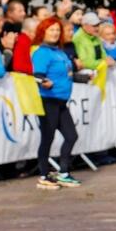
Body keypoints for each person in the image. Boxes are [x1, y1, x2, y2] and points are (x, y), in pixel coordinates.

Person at [31, 17, 82, 190]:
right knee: (48, 138)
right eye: (51, 30)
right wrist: (44, 81)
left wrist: (83, 77)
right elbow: (37, 75)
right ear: (43, 32)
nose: (55, 33)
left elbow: (67, 74)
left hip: (61, 102)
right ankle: (43, 175)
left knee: (71, 136)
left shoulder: (60, 52)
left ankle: (63, 173)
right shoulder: (41, 52)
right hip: (48, 101)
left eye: (57, 30)